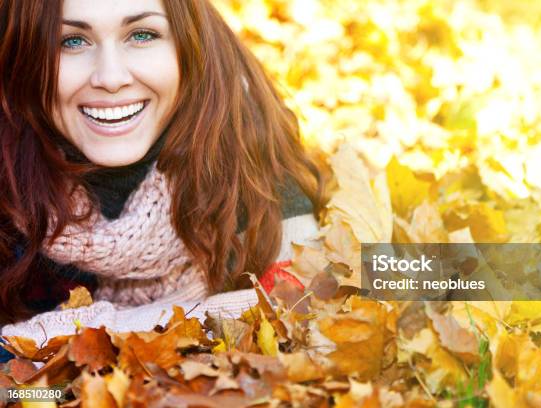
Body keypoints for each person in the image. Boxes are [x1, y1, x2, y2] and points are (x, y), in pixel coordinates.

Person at [0, 0, 322, 343]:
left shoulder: (245, 144)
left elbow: (336, 302)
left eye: (142, 34)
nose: (111, 78)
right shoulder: (10, 180)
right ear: (24, 55)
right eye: (71, 41)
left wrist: (66, 336)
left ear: (189, 43)